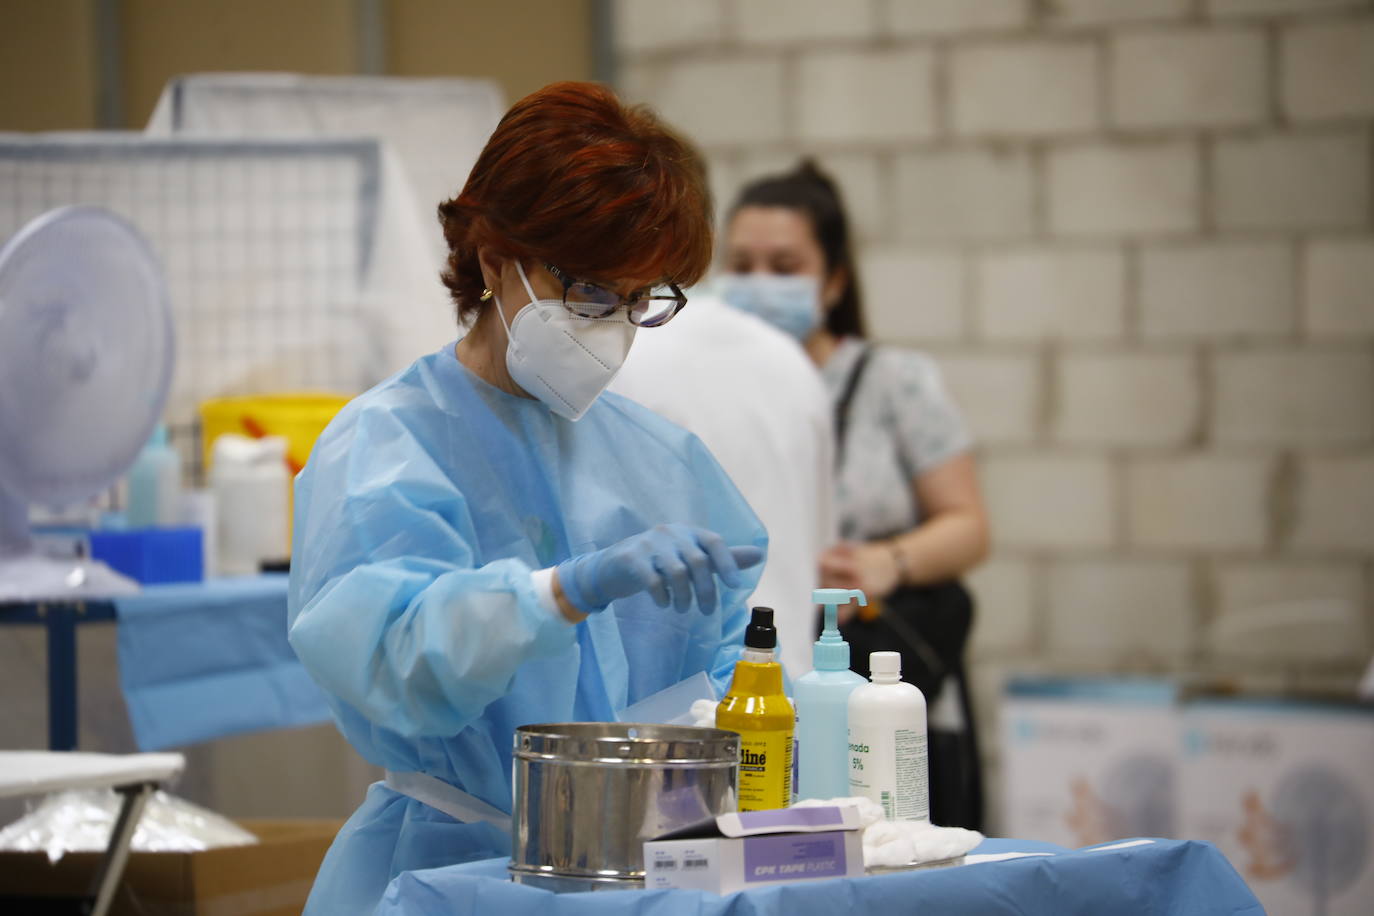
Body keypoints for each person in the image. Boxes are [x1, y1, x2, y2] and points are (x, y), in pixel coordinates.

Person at [287, 82, 767, 914]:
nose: (609, 326)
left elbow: (723, 676)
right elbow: (395, 659)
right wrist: (560, 593)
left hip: (636, 877)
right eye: (585, 289)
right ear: (492, 256)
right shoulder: (387, 445)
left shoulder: (664, 461)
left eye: (636, 300)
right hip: (445, 877)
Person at [719, 160, 991, 829]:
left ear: (834, 279)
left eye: (784, 266)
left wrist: (887, 562)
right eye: (742, 265)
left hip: (879, 690)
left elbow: (969, 525)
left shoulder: (891, 381)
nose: (760, 285)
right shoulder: (721, 391)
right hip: (763, 687)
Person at [611, 292, 836, 681]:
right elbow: (821, 542)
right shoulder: (790, 361)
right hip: (786, 671)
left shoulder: (627, 353)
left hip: (665, 691)